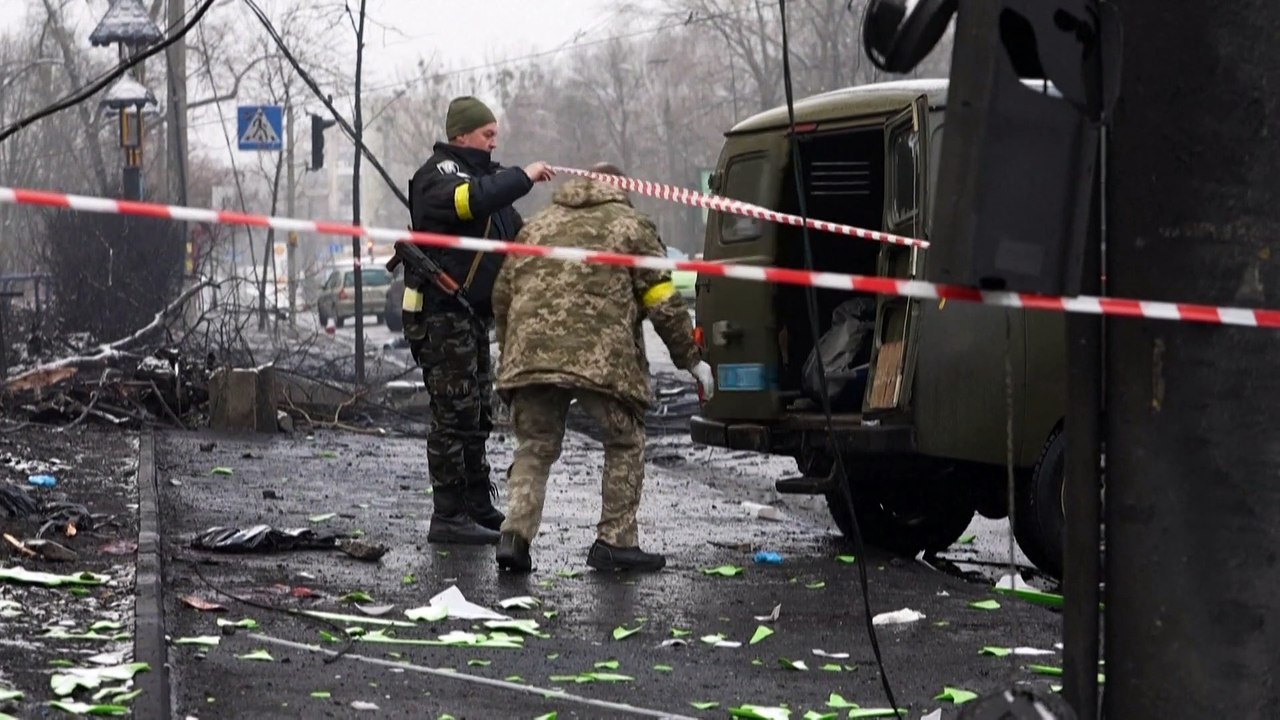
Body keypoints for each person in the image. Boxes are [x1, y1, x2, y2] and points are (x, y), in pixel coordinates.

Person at [491, 163, 715, 573]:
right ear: (620, 187)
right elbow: (662, 299)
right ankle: (615, 541)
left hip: (531, 357)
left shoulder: (537, 226)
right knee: (625, 439)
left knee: (535, 446)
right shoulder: (629, 226)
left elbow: (503, 295)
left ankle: (514, 537)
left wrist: (511, 359)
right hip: (601, 361)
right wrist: (691, 359)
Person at [407, 96, 554, 545]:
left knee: (475, 414)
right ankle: (447, 514)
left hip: (470, 317)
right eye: (487, 135)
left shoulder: (487, 179)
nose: (494, 143)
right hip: (440, 314)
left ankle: (476, 503)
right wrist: (522, 177)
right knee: (452, 414)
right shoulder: (440, 175)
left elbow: (517, 231)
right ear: (461, 136)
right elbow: (471, 202)